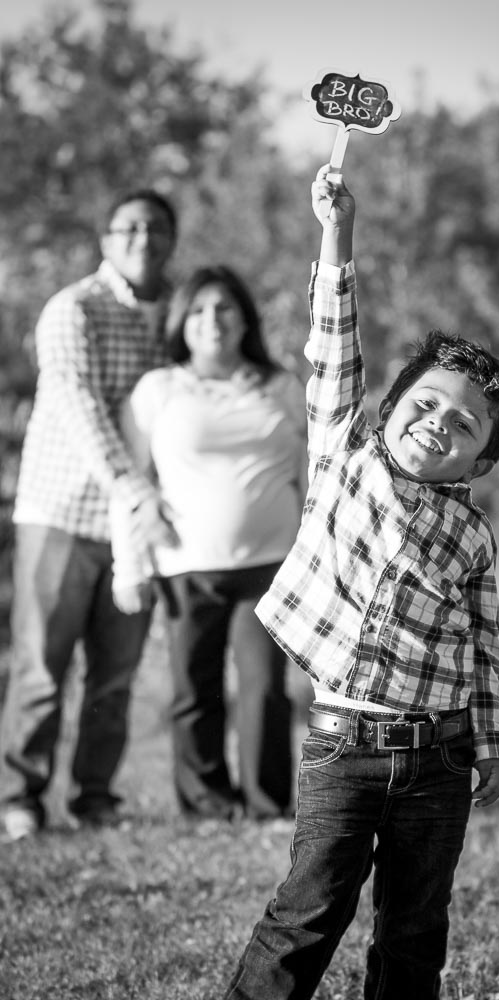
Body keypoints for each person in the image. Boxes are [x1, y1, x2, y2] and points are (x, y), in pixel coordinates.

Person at [220, 166, 499, 1000]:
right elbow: (331, 345)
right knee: (308, 912)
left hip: (440, 757)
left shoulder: (471, 533)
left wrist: (488, 744)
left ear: (482, 460)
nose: (438, 425)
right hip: (342, 749)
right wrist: (336, 236)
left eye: (463, 425)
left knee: (415, 929)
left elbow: (482, 646)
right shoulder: (343, 457)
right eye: (424, 405)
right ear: (386, 410)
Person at [0, 189, 178, 842]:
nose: (142, 237)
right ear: (105, 239)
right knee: (42, 668)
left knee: (116, 673)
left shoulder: (179, 315)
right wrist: (134, 490)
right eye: (127, 226)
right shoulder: (72, 308)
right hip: (62, 513)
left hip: (142, 530)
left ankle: (95, 798)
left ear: (171, 240)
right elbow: (78, 407)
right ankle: (20, 798)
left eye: (156, 227)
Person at [111, 265, 308, 822]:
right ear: (181, 323)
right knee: (193, 692)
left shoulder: (282, 386)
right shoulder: (158, 390)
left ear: (245, 318)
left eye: (224, 308)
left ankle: (268, 806)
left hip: (272, 566)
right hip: (184, 567)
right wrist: (129, 568)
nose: (211, 320)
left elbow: (310, 472)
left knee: (265, 689)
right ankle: (206, 806)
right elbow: (131, 480)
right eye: (198, 310)